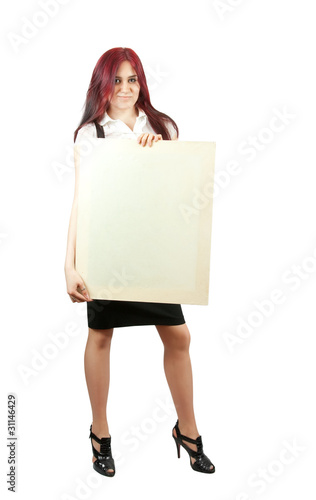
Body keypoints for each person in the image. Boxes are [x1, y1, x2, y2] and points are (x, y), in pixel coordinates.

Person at [64, 47, 215, 477]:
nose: (126, 89)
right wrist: (69, 265)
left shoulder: (161, 126)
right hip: (108, 248)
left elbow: (176, 196)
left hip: (152, 251)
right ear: (103, 85)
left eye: (133, 80)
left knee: (179, 337)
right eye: (117, 80)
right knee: (101, 336)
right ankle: (100, 432)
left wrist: (158, 151)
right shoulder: (90, 135)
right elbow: (82, 202)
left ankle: (187, 429)